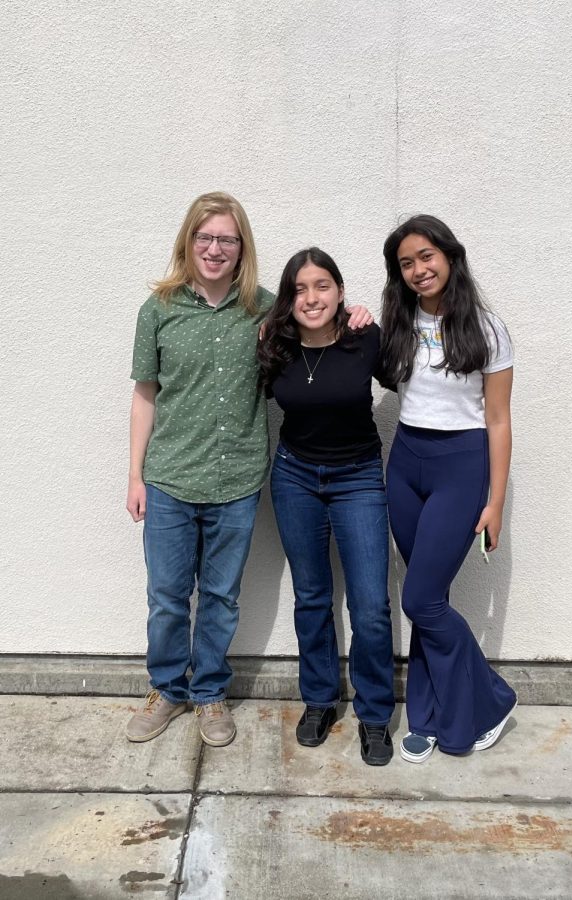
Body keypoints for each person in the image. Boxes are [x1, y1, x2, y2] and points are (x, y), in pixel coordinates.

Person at [125, 193, 372, 748]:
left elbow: (322, 327)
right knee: (166, 594)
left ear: (242, 250)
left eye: (227, 240)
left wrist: (358, 313)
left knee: (220, 595)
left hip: (236, 479)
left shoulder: (265, 312)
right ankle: (167, 689)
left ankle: (210, 692)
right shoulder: (158, 310)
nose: (215, 250)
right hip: (169, 477)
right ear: (188, 241)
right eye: (205, 238)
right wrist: (136, 476)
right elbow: (145, 395)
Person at [379, 215, 517, 762]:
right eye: (406, 263)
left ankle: (491, 698)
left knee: (420, 599)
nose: (418, 269)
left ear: (450, 256)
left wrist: (496, 501)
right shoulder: (399, 321)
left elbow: (500, 421)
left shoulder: (488, 328)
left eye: (426, 256)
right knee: (427, 597)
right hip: (405, 461)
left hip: (460, 465)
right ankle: (428, 715)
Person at [258, 248, 395, 766]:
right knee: (312, 598)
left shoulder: (366, 339)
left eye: (322, 286)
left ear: (339, 291)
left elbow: (412, 382)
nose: (311, 298)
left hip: (358, 477)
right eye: (299, 289)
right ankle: (319, 700)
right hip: (295, 477)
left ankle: (376, 714)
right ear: (288, 300)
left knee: (370, 606)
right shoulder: (276, 348)